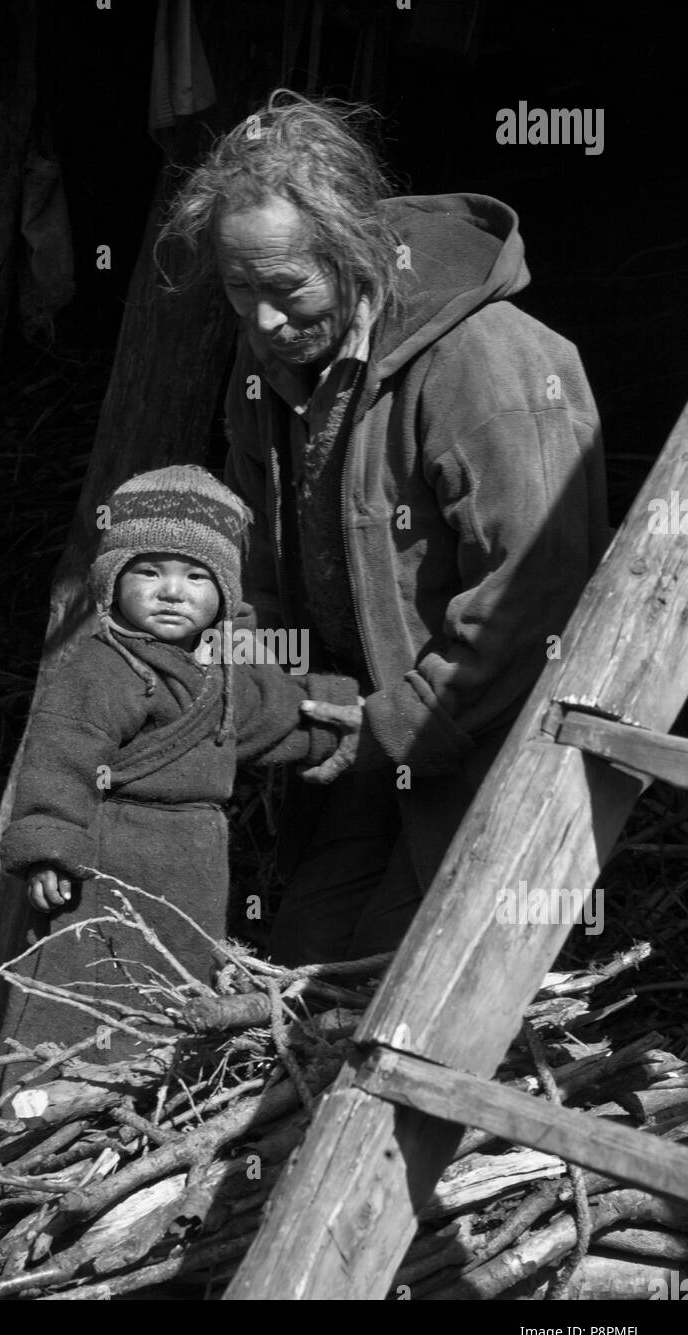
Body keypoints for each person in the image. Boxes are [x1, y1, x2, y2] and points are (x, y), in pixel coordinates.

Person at [157, 90, 610, 965]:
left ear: (357, 252)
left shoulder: (485, 363)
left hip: (487, 736)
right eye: (237, 290)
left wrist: (401, 722)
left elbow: (536, 590)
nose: (260, 321)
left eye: (286, 289)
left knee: (407, 983)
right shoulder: (274, 367)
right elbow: (255, 557)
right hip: (366, 737)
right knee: (306, 960)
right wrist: (269, 692)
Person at [0, 464, 357, 1079]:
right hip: (110, 862)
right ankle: (34, 1113)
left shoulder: (218, 675)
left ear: (223, 593)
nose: (173, 591)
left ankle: (135, 1108)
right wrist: (49, 849)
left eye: (196, 576)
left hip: (192, 871)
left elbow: (277, 716)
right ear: (111, 582)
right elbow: (61, 757)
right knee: (85, 986)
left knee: (172, 992)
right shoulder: (100, 666)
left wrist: (344, 716)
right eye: (149, 571)